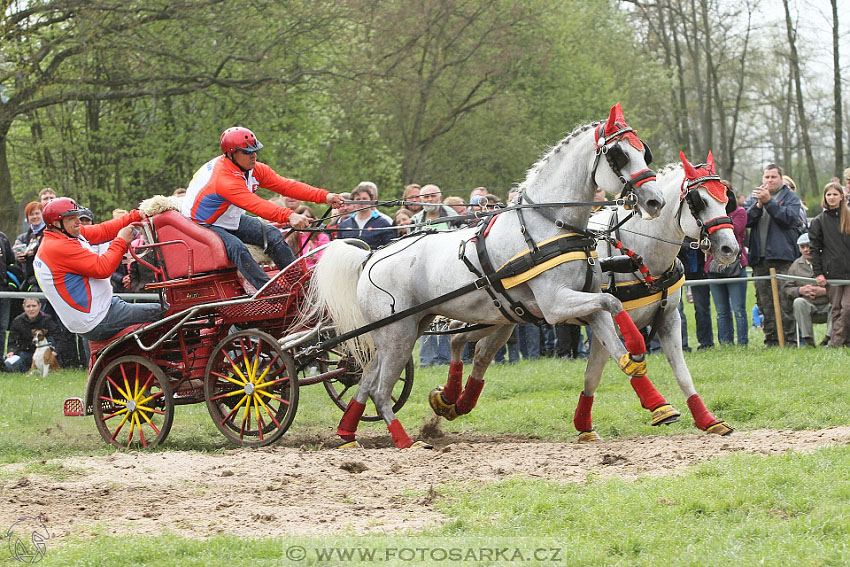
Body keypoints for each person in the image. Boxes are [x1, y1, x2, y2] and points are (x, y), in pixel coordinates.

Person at [181, 127, 342, 290]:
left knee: (272, 234)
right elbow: (256, 204)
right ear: (231, 154)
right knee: (237, 247)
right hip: (201, 224)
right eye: (247, 152)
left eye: (255, 150)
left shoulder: (253, 169)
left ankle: (300, 285)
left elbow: (286, 186)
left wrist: (325, 196)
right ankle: (268, 292)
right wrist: (290, 215)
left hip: (226, 218)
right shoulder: (224, 179)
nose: (253, 155)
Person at [34, 197, 164, 342]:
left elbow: (102, 231)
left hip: (99, 311)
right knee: (166, 311)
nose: (78, 221)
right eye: (72, 218)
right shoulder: (58, 247)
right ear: (57, 223)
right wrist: (121, 241)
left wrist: (136, 215)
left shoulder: (63, 235)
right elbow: (103, 268)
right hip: (99, 318)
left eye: (77, 216)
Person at [744, 163, 801, 346]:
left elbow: (789, 219)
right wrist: (759, 204)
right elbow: (747, 220)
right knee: (764, 303)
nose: (769, 180)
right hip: (760, 259)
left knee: (785, 301)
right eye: (766, 177)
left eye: (773, 177)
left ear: (781, 178)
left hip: (783, 257)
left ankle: (790, 340)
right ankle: (772, 340)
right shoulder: (754, 197)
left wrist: (770, 202)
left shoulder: (790, 196)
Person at [706, 182, 748, 345]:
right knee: (721, 311)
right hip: (714, 265)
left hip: (736, 265)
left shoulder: (740, 212)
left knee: (739, 310)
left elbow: (733, 230)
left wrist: (721, 213)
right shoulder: (708, 214)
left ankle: (743, 342)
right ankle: (725, 342)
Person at [809, 182, 850, 347]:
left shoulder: (848, 218)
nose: (832, 198)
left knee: (847, 307)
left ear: (841, 196)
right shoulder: (819, 221)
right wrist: (818, 273)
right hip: (831, 272)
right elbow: (814, 249)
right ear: (824, 197)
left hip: (848, 272)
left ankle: (836, 342)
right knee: (836, 309)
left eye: (835, 194)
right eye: (828, 195)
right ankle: (843, 342)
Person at [782, 233, 830, 346]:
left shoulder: (828, 261)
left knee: (838, 303)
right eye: (803, 247)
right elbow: (786, 289)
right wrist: (800, 290)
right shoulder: (795, 266)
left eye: (809, 246)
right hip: (808, 305)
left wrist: (823, 291)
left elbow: (840, 286)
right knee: (798, 302)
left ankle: (828, 339)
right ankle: (809, 340)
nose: (806, 250)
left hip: (828, 303)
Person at [4, 298, 64, 372]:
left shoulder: (47, 319)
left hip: (46, 354)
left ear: (39, 306)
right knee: (9, 365)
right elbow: (12, 341)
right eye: (28, 306)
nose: (31, 309)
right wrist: (11, 351)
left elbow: (60, 338)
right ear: (23, 307)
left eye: (34, 306)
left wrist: (55, 352)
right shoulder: (17, 321)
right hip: (26, 353)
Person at [13, 202, 46, 292]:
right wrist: (19, 257)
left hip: (45, 278)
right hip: (29, 278)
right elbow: (13, 254)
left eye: (37, 213)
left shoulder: (50, 233)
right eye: (31, 214)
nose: (34, 217)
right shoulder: (23, 237)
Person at [0, 230, 16, 351]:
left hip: (3, 289)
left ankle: (0, 361)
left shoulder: (3, 238)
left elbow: (11, 261)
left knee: (2, 328)